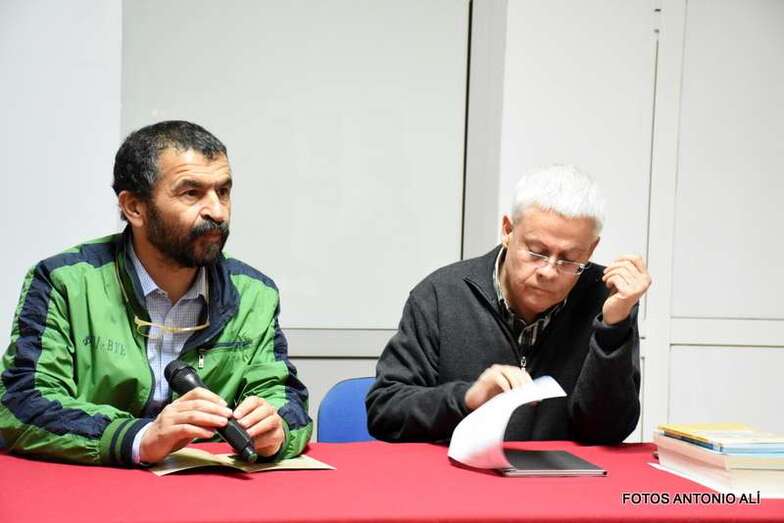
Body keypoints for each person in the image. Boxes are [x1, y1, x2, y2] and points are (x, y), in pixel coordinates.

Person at [0, 121, 312, 466]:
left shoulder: (254, 293)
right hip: (92, 485)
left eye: (223, 191)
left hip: (211, 489)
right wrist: (139, 438)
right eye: (191, 193)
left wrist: (277, 428)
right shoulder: (64, 282)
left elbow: (285, 399)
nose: (218, 211)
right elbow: (21, 402)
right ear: (135, 207)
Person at [366, 165, 651, 444]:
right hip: (455, 472)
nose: (548, 271)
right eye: (536, 252)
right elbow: (385, 411)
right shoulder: (440, 295)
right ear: (507, 230)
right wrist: (466, 398)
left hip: (562, 473)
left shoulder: (608, 299)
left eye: (569, 259)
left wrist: (613, 327)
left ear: (591, 250)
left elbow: (608, 432)